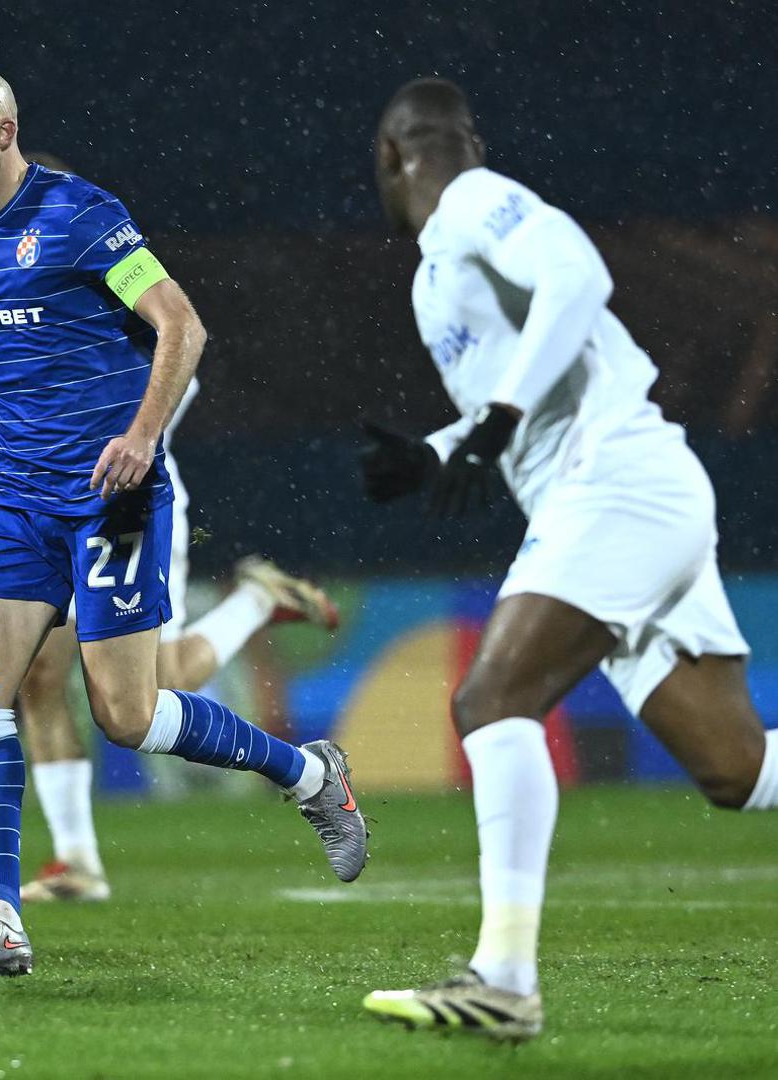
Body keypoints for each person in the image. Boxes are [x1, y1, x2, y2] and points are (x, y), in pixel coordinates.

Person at [0, 66, 367, 977]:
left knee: (128, 713)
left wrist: (143, 434)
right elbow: (6, 348)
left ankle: (310, 775)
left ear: (4, 131)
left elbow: (181, 326)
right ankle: (1, 918)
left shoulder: (82, 215)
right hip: (17, 501)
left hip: (108, 500)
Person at [357, 78, 777, 1039]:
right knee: (738, 770)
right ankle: (502, 981)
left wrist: (496, 420)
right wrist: (437, 450)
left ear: (391, 155)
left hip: (617, 486)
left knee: (491, 700)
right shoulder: (437, 272)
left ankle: (503, 980)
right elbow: (522, 393)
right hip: (629, 498)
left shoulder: (475, 200)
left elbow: (579, 276)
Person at [0, 409, 339, 904]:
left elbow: (119, 402)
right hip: (42, 499)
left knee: (155, 690)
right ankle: (77, 859)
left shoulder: (158, 354)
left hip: (121, 498)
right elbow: (46, 388)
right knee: (35, 674)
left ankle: (258, 600)